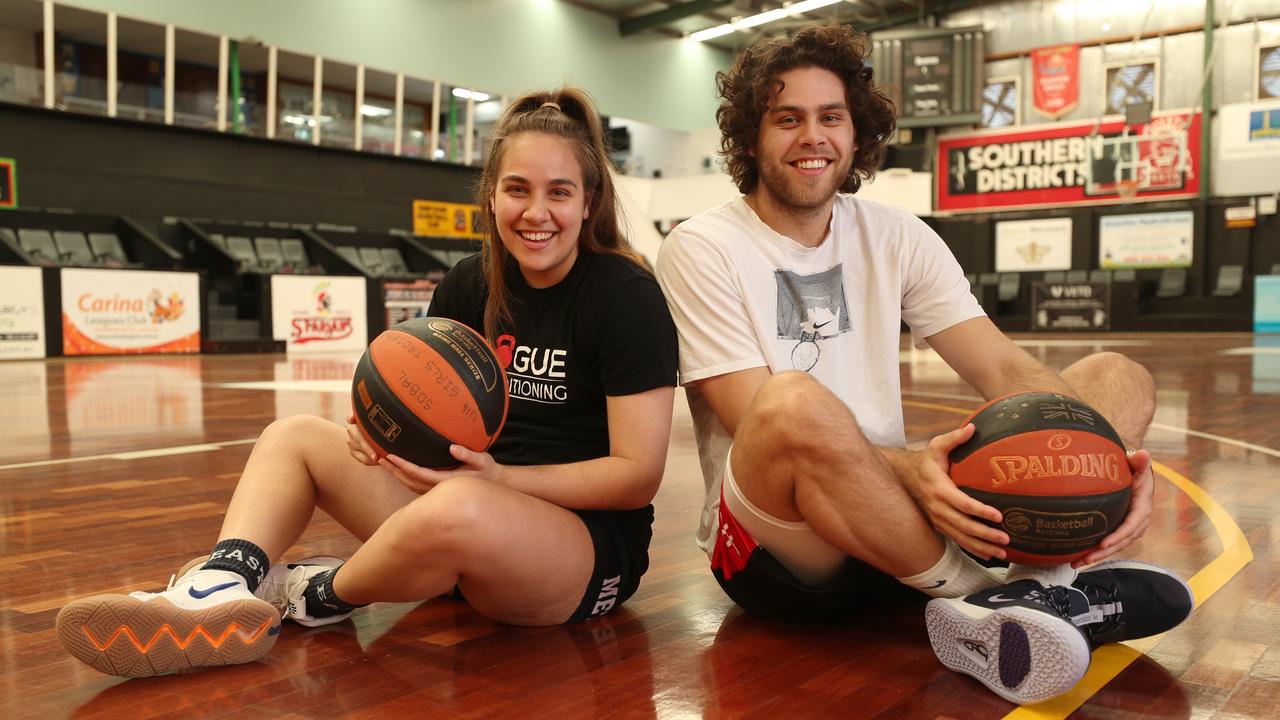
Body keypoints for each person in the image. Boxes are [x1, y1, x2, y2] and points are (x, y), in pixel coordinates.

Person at [56, 87, 679, 678]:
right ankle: (217, 586)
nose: (536, 212)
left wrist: (501, 481)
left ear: (589, 201)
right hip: (458, 518)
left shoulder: (626, 297)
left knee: (463, 505)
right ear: (490, 195)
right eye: (517, 189)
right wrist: (379, 437)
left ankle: (313, 594)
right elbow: (432, 421)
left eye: (559, 192)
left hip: (579, 553)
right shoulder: (469, 284)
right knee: (295, 435)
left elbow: (636, 476)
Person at [654, 24, 1192, 706]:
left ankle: (1042, 590)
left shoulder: (896, 234)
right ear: (751, 137)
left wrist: (1112, 464)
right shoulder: (702, 246)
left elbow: (1002, 366)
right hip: (778, 547)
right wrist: (915, 468)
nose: (811, 137)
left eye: (831, 117)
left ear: (857, 134)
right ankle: (997, 600)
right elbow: (754, 418)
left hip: (899, 518)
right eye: (786, 118)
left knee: (1118, 375)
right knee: (791, 401)